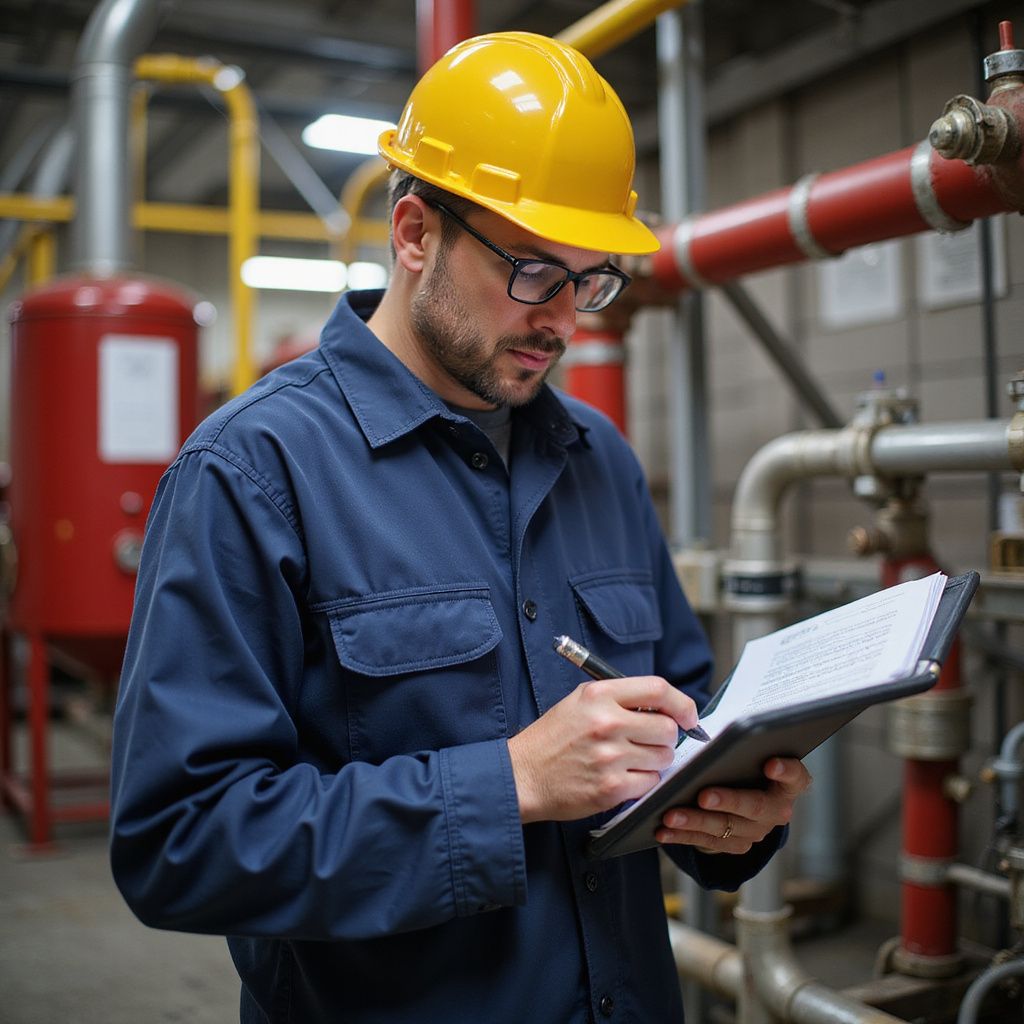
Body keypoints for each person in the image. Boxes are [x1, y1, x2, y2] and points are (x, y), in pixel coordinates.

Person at [110, 31, 811, 1023]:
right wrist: (509, 784)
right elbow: (180, 840)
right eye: (531, 271)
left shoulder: (597, 459)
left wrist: (733, 811)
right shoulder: (251, 473)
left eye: (591, 277)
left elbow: (680, 720)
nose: (563, 318)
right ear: (412, 234)